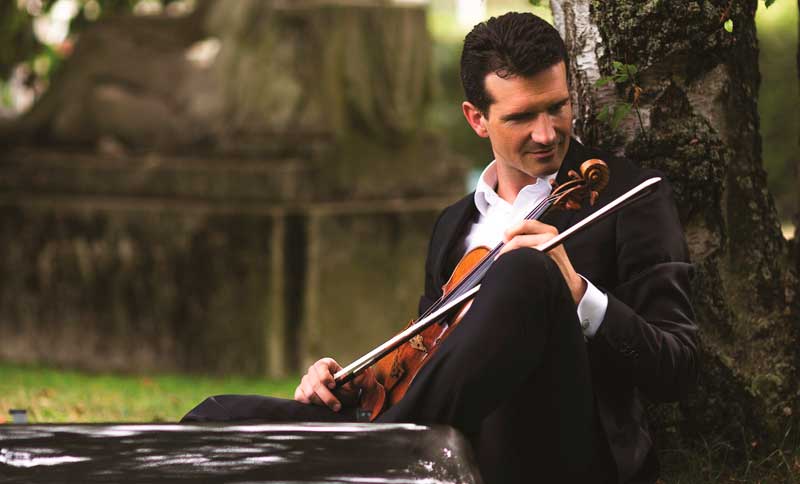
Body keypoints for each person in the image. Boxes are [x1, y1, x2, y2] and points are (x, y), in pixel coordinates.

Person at [183, 12, 697, 484]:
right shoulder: (454, 224)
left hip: (550, 452)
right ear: (477, 119)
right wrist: (353, 384)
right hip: (441, 445)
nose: (547, 133)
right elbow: (436, 364)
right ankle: (378, 452)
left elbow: (677, 366)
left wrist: (579, 292)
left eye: (558, 108)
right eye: (521, 117)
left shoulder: (629, 197)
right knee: (215, 419)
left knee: (526, 272)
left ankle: (379, 457)